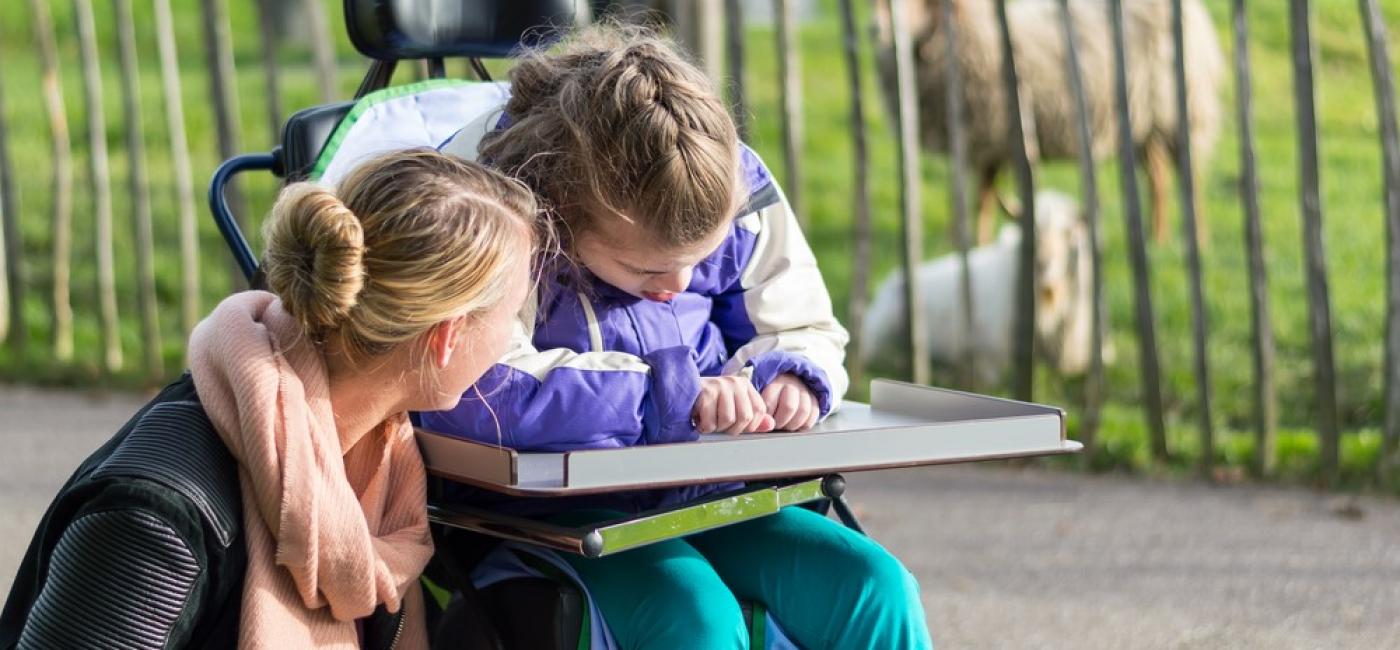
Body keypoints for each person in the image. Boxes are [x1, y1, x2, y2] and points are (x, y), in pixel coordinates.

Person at [420, 25, 933, 649]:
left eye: (703, 256)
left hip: (709, 491)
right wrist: (675, 398)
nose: (682, 282)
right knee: (693, 616)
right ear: (560, 212)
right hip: (540, 517)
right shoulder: (490, 203)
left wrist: (792, 375)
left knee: (874, 586)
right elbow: (473, 385)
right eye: (644, 269)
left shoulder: (712, 168)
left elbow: (799, 320)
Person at [0, 149, 537, 649]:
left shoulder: (381, 470)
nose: (520, 339)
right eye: (513, 314)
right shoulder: (159, 520)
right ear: (446, 338)